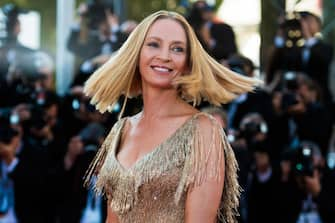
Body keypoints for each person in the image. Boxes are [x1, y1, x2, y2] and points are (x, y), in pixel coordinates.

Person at [83, 10, 260, 223]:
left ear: (187, 63)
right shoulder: (121, 129)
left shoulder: (203, 130)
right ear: (136, 53)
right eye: (154, 44)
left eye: (177, 49)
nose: (164, 56)